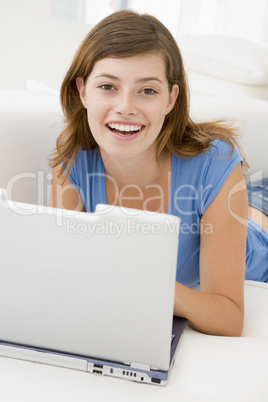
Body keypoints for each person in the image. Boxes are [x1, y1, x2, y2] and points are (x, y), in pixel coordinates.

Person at [49, 10, 268, 336]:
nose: (125, 106)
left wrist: (147, 283)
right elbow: (58, 276)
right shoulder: (72, 159)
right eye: (108, 86)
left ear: (171, 98)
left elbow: (228, 317)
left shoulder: (216, 160)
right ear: (82, 91)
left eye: (147, 90)